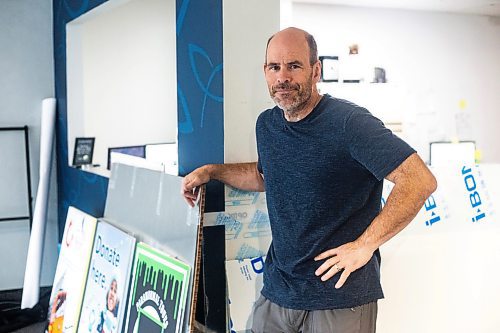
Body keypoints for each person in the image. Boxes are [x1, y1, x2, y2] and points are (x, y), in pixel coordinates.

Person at [181, 27, 437, 333]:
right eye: (274, 67)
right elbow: (265, 176)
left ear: (316, 71)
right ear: (265, 72)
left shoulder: (349, 123)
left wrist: (365, 246)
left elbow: (419, 180)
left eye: (294, 66)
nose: (282, 77)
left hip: (340, 294)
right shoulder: (267, 125)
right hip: (280, 288)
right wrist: (212, 171)